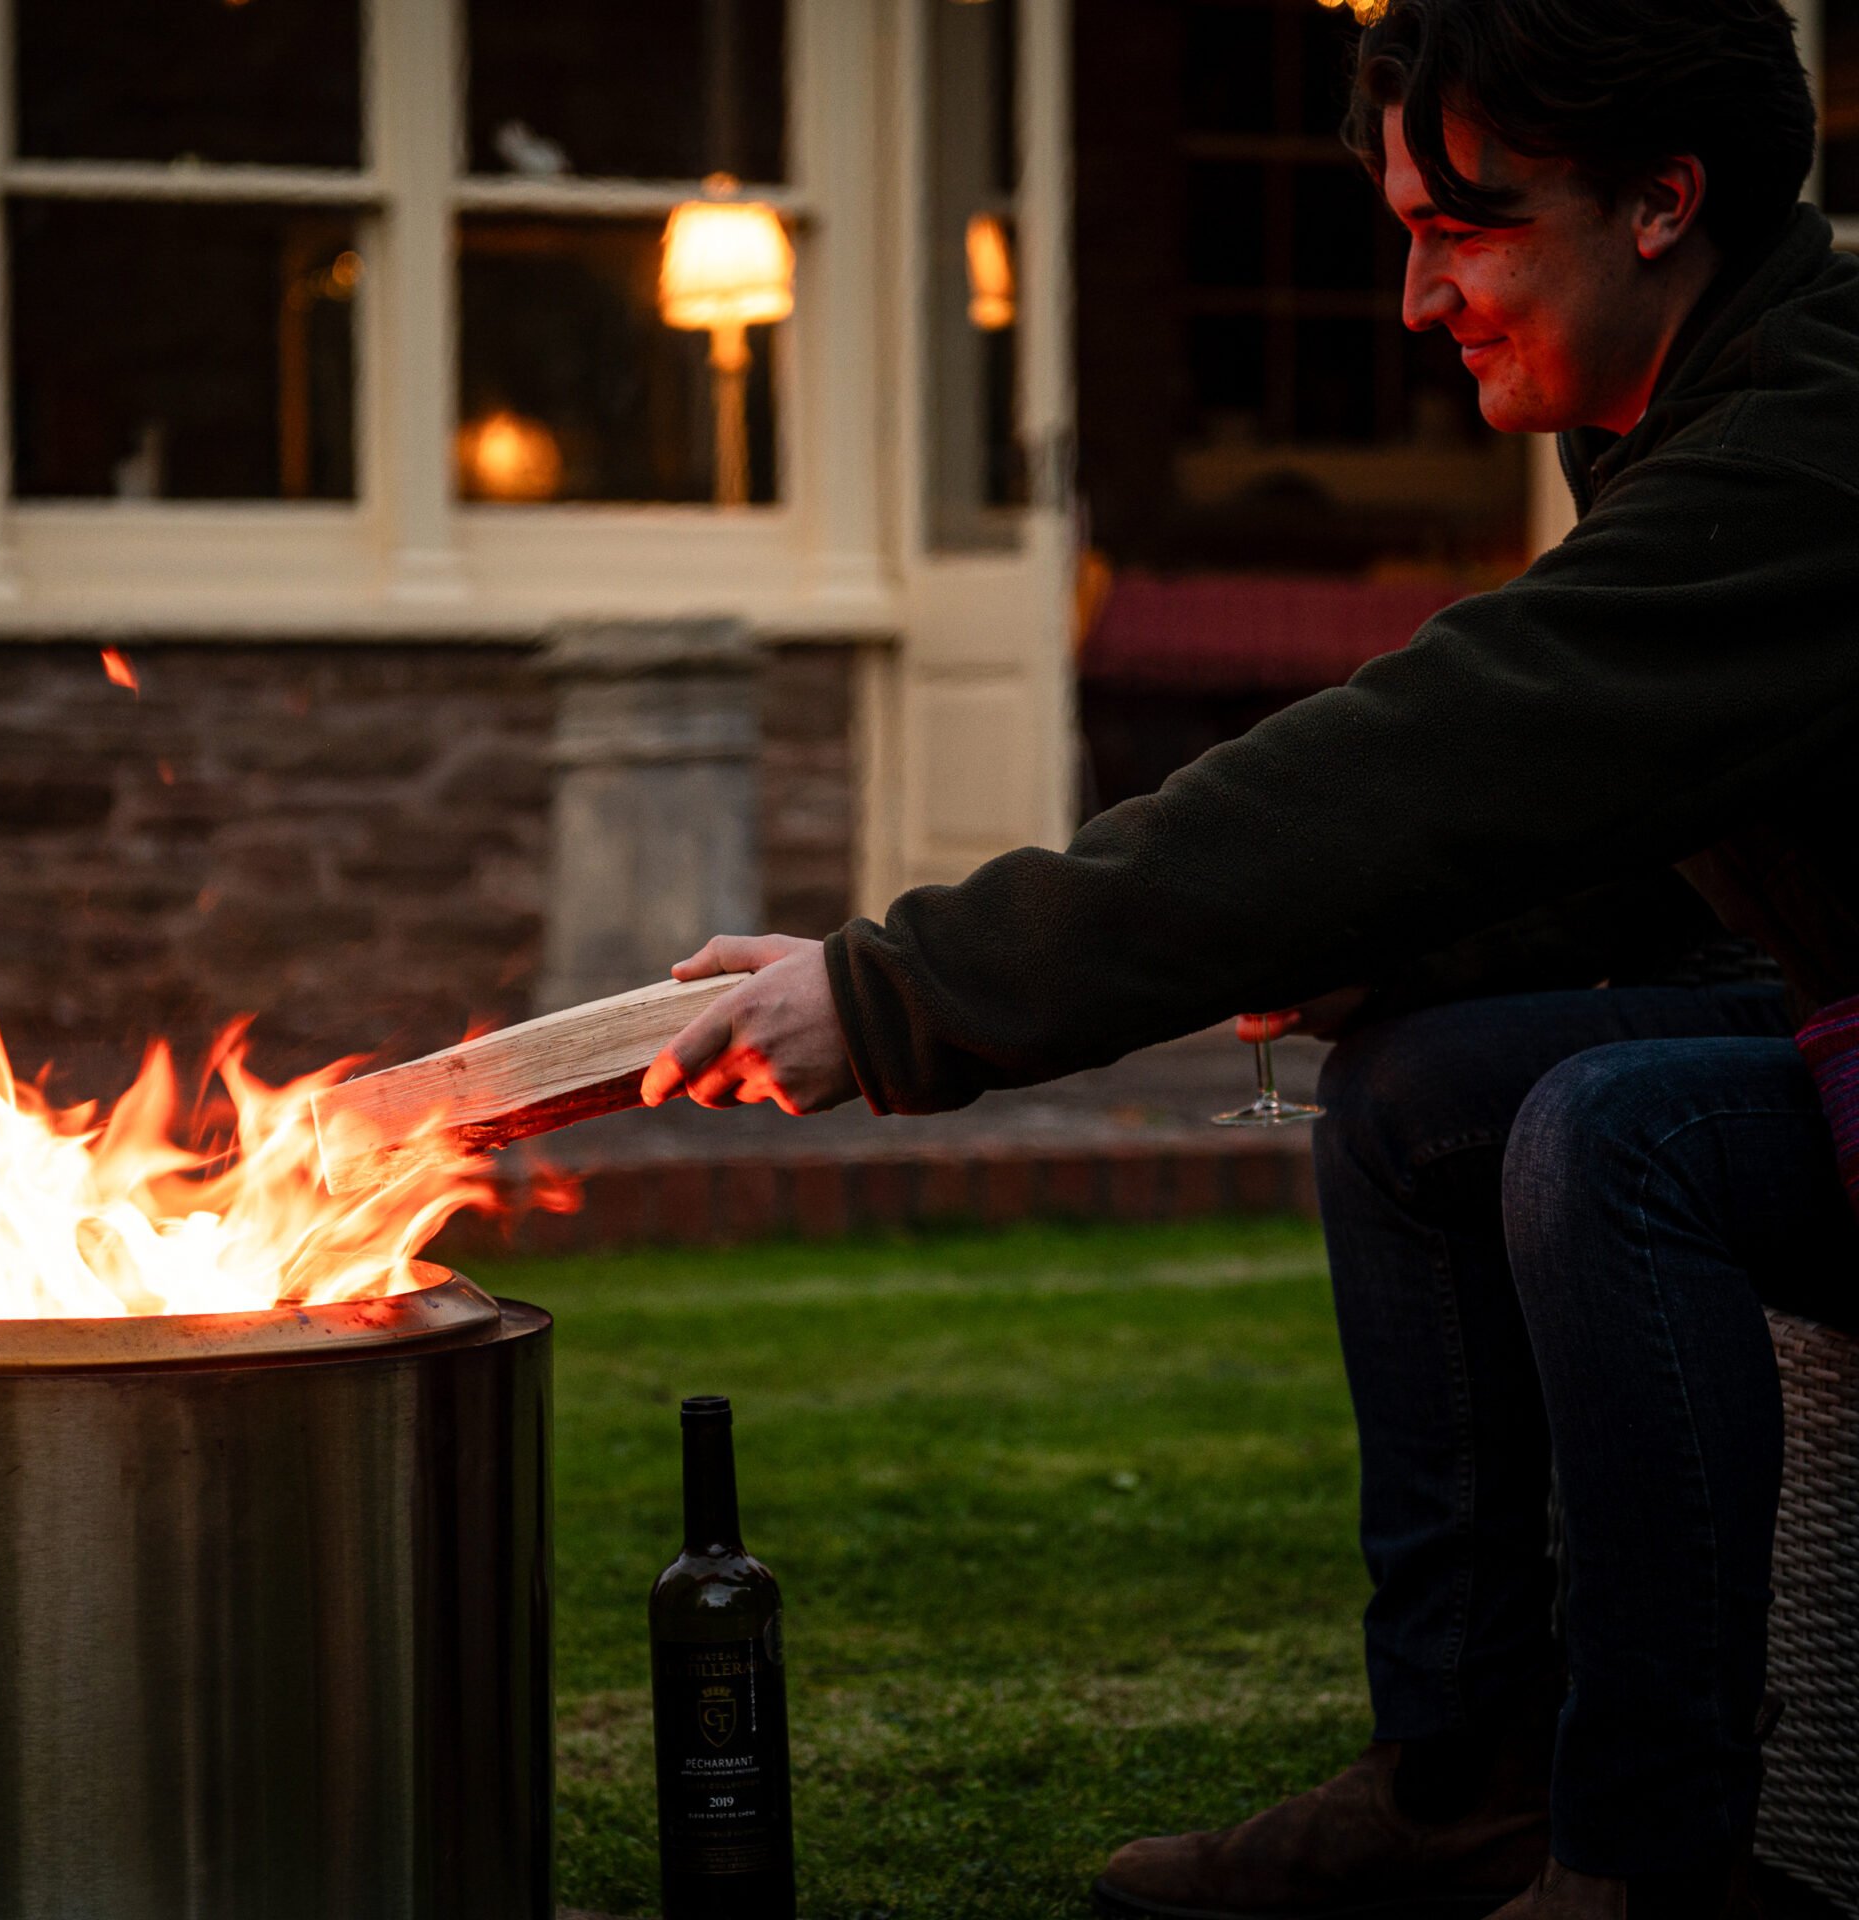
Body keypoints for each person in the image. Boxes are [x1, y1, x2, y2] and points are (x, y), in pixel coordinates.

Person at [639, 2, 1859, 1914]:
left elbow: (1460, 743)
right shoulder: (1700, 403)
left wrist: (894, 990)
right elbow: (1665, 850)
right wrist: (1398, 952)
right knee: (1417, 1093)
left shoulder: (1811, 440)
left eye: (1464, 232)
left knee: (1613, 1135)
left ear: (1660, 204)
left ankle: (1647, 1865)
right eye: (1403, 234)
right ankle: (1460, 1775)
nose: (1415, 298)